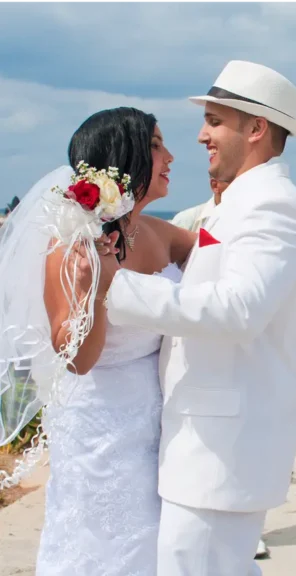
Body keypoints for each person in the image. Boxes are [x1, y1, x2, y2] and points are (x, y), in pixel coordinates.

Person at [83, 60, 296, 575]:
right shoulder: (238, 202)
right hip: (203, 442)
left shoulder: (272, 204)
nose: (201, 136)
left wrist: (113, 286)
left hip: (221, 448)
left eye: (214, 121)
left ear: (256, 129)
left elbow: (239, 310)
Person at [0, 106, 195, 574]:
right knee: (104, 543)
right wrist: (99, 289)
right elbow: (78, 359)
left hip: (157, 415)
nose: (170, 156)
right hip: (96, 421)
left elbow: (228, 265)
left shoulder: (161, 234)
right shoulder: (71, 246)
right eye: (155, 145)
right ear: (123, 159)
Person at [170, 176, 271, 561]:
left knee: (241, 445)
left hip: (235, 352)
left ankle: (247, 527)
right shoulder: (188, 219)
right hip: (193, 346)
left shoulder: (253, 220)